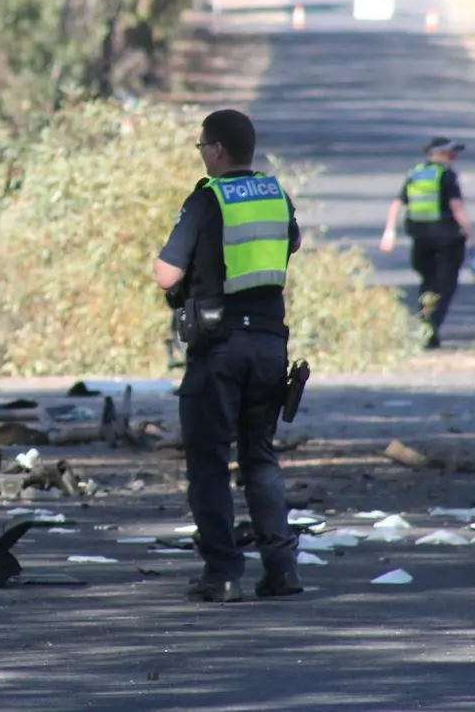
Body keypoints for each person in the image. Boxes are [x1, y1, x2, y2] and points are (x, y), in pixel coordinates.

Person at [153, 109, 303, 603]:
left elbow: (166, 275)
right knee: (260, 457)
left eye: (201, 148)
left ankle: (222, 574)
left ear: (216, 149)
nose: (202, 156)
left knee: (210, 460)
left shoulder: (207, 198)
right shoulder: (275, 194)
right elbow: (290, 244)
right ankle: (281, 569)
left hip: (218, 348)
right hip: (268, 343)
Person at [378, 136, 475, 349]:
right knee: (445, 286)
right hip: (448, 241)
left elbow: (397, 203)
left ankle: (425, 325)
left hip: (420, 239)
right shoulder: (447, 176)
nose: (454, 157)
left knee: (428, 283)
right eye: (451, 153)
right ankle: (431, 329)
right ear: (440, 154)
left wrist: (390, 232)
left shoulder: (416, 173)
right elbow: (457, 208)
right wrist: (473, 236)